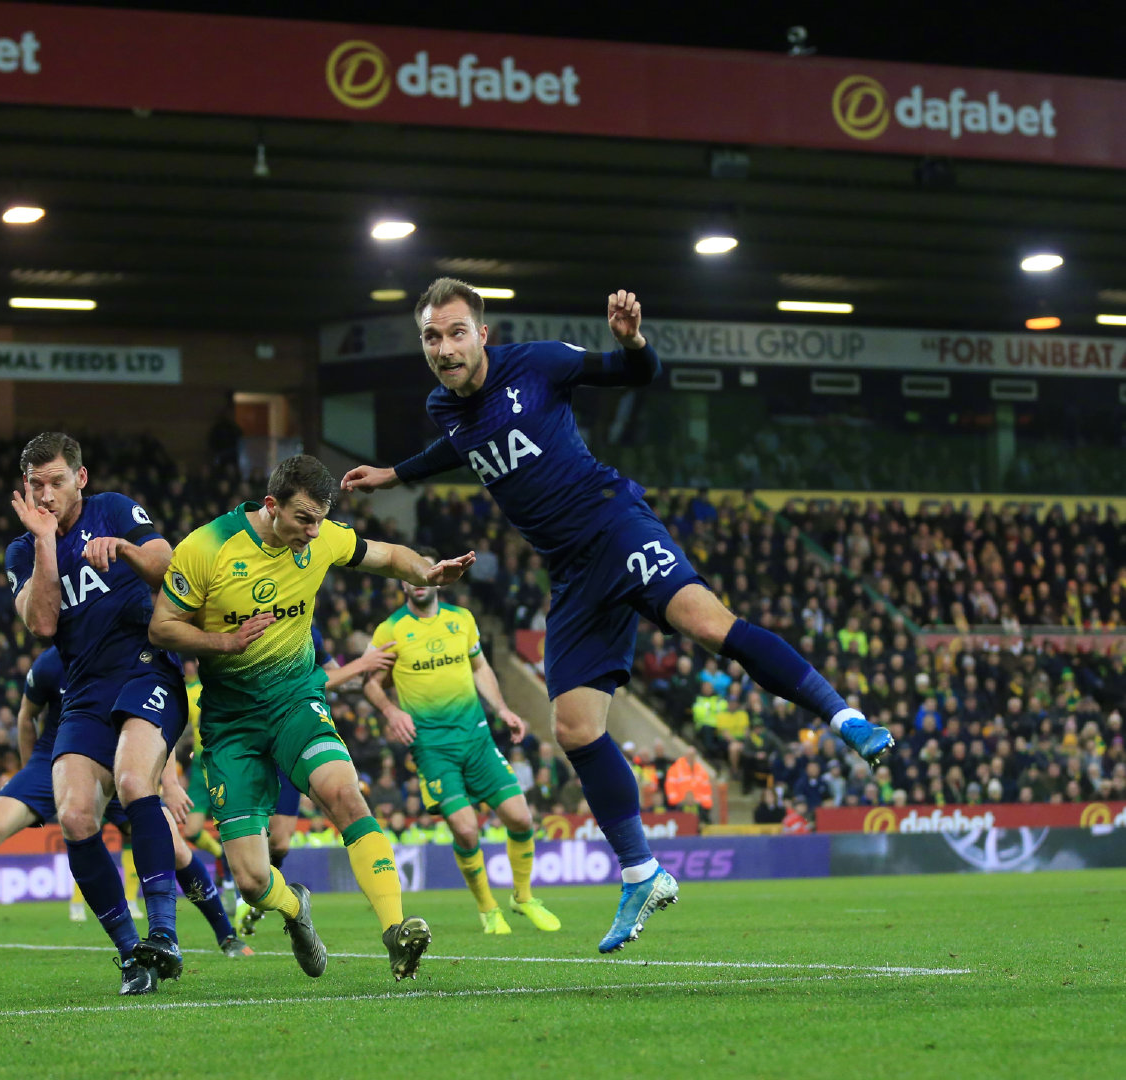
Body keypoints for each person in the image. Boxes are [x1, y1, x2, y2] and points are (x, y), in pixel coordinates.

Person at [341, 279, 895, 952]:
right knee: (573, 728)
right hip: (572, 573)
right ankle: (641, 872)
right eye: (432, 336)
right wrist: (394, 474)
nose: (445, 347)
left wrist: (632, 342)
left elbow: (634, 373)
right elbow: (461, 447)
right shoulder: (441, 405)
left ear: (481, 335)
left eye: (457, 332)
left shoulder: (539, 364)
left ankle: (847, 718)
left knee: (708, 625)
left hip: (613, 522)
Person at [150, 453, 475, 982]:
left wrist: (428, 571)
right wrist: (223, 641)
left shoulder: (321, 536)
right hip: (230, 723)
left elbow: (386, 555)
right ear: (272, 505)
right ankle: (296, 907)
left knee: (345, 793)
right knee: (253, 881)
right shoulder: (206, 547)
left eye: (321, 518)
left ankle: (396, 931)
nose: (313, 530)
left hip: (294, 700)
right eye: (304, 518)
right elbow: (162, 627)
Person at [0, 648, 249, 969]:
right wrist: (32, 776)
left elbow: (155, 720)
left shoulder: (128, 652)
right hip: (53, 759)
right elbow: (27, 716)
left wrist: (167, 782)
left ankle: (226, 935)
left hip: (118, 758)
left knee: (176, 848)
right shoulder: (49, 664)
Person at [7, 431, 192, 994]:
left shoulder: (113, 508)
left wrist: (126, 549)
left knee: (137, 781)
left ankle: (164, 932)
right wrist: (43, 543)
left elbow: (168, 566)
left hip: (145, 667)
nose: (45, 494)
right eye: (35, 484)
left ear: (79, 480)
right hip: (83, 691)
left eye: (56, 482)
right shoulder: (21, 551)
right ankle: (132, 954)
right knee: (75, 816)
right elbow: (41, 624)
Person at [363, 583, 559, 935]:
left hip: (477, 738)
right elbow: (370, 681)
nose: (417, 582)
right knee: (467, 830)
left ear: (437, 579)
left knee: (520, 818)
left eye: (424, 573)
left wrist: (502, 709)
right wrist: (391, 712)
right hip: (433, 748)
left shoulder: (462, 619)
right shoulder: (391, 628)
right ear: (403, 584)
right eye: (409, 576)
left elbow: (481, 667)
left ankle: (523, 897)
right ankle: (488, 909)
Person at [233, 626, 396, 938]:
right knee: (248, 833)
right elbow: (318, 678)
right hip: (248, 735)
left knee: (280, 841)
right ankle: (245, 890)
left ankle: (261, 896)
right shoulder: (248, 616)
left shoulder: (308, 628)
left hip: (292, 735)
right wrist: (361, 664)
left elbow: (336, 676)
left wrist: (376, 674)